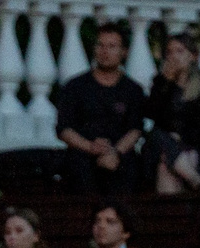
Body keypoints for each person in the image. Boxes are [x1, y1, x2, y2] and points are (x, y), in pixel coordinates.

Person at [55, 23, 150, 189]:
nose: (105, 51)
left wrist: (115, 153)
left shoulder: (133, 90)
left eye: (112, 46)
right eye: (100, 45)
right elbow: (64, 129)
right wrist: (90, 147)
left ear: (124, 52)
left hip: (120, 154)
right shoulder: (75, 86)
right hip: (82, 152)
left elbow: (135, 129)